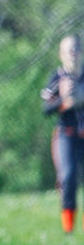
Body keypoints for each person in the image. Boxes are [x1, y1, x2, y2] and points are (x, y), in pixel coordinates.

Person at [41, 34, 84, 232]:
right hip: (67, 134)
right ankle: (68, 228)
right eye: (68, 50)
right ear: (61, 54)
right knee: (68, 176)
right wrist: (64, 100)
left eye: (76, 49)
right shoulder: (57, 77)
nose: (72, 53)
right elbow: (46, 108)